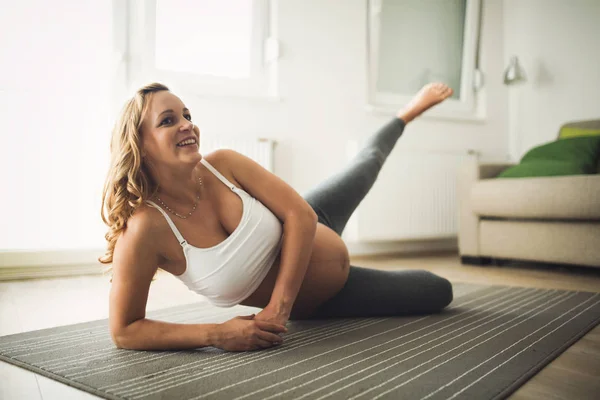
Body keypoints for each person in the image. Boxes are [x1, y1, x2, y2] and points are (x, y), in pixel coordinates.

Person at [100, 82, 454, 352]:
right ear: (140, 145)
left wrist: (279, 307)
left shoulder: (222, 164)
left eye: (187, 115)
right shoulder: (144, 230)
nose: (187, 126)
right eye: (168, 120)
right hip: (326, 298)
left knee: (367, 161)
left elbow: (300, 214)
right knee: (437, 290)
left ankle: (406, 113)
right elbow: (124, 330)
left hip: (314, 218)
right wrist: (216, 333)